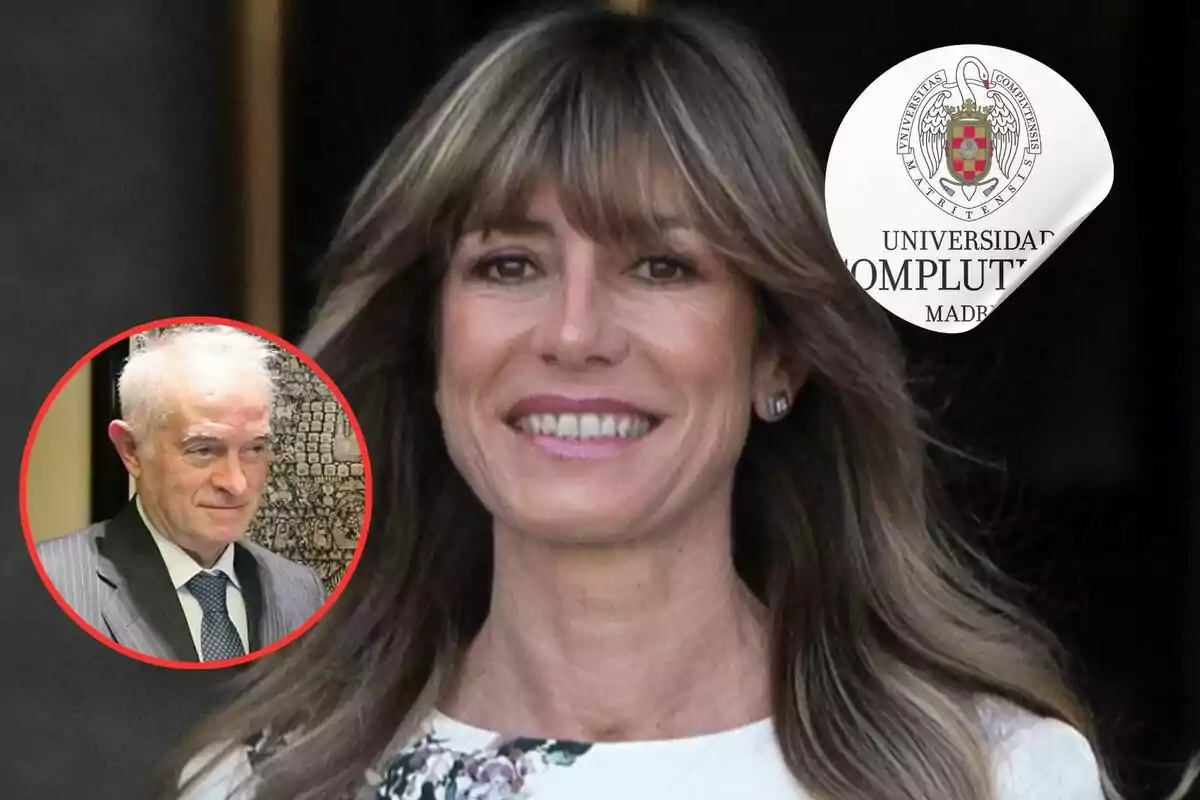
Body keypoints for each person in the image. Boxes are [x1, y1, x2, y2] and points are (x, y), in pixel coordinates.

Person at [162, 6, 1181, 800]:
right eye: (510, 263)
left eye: (660, 266)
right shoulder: (272, 784)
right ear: (430, 341)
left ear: (776, 353)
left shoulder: (992, 775)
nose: (572, 330)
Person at [37, 325, 327, 663]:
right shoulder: (52, 584)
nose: (237, 483)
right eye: (203, 450)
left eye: (254, 448)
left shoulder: (301, 591)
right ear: (131, 450)